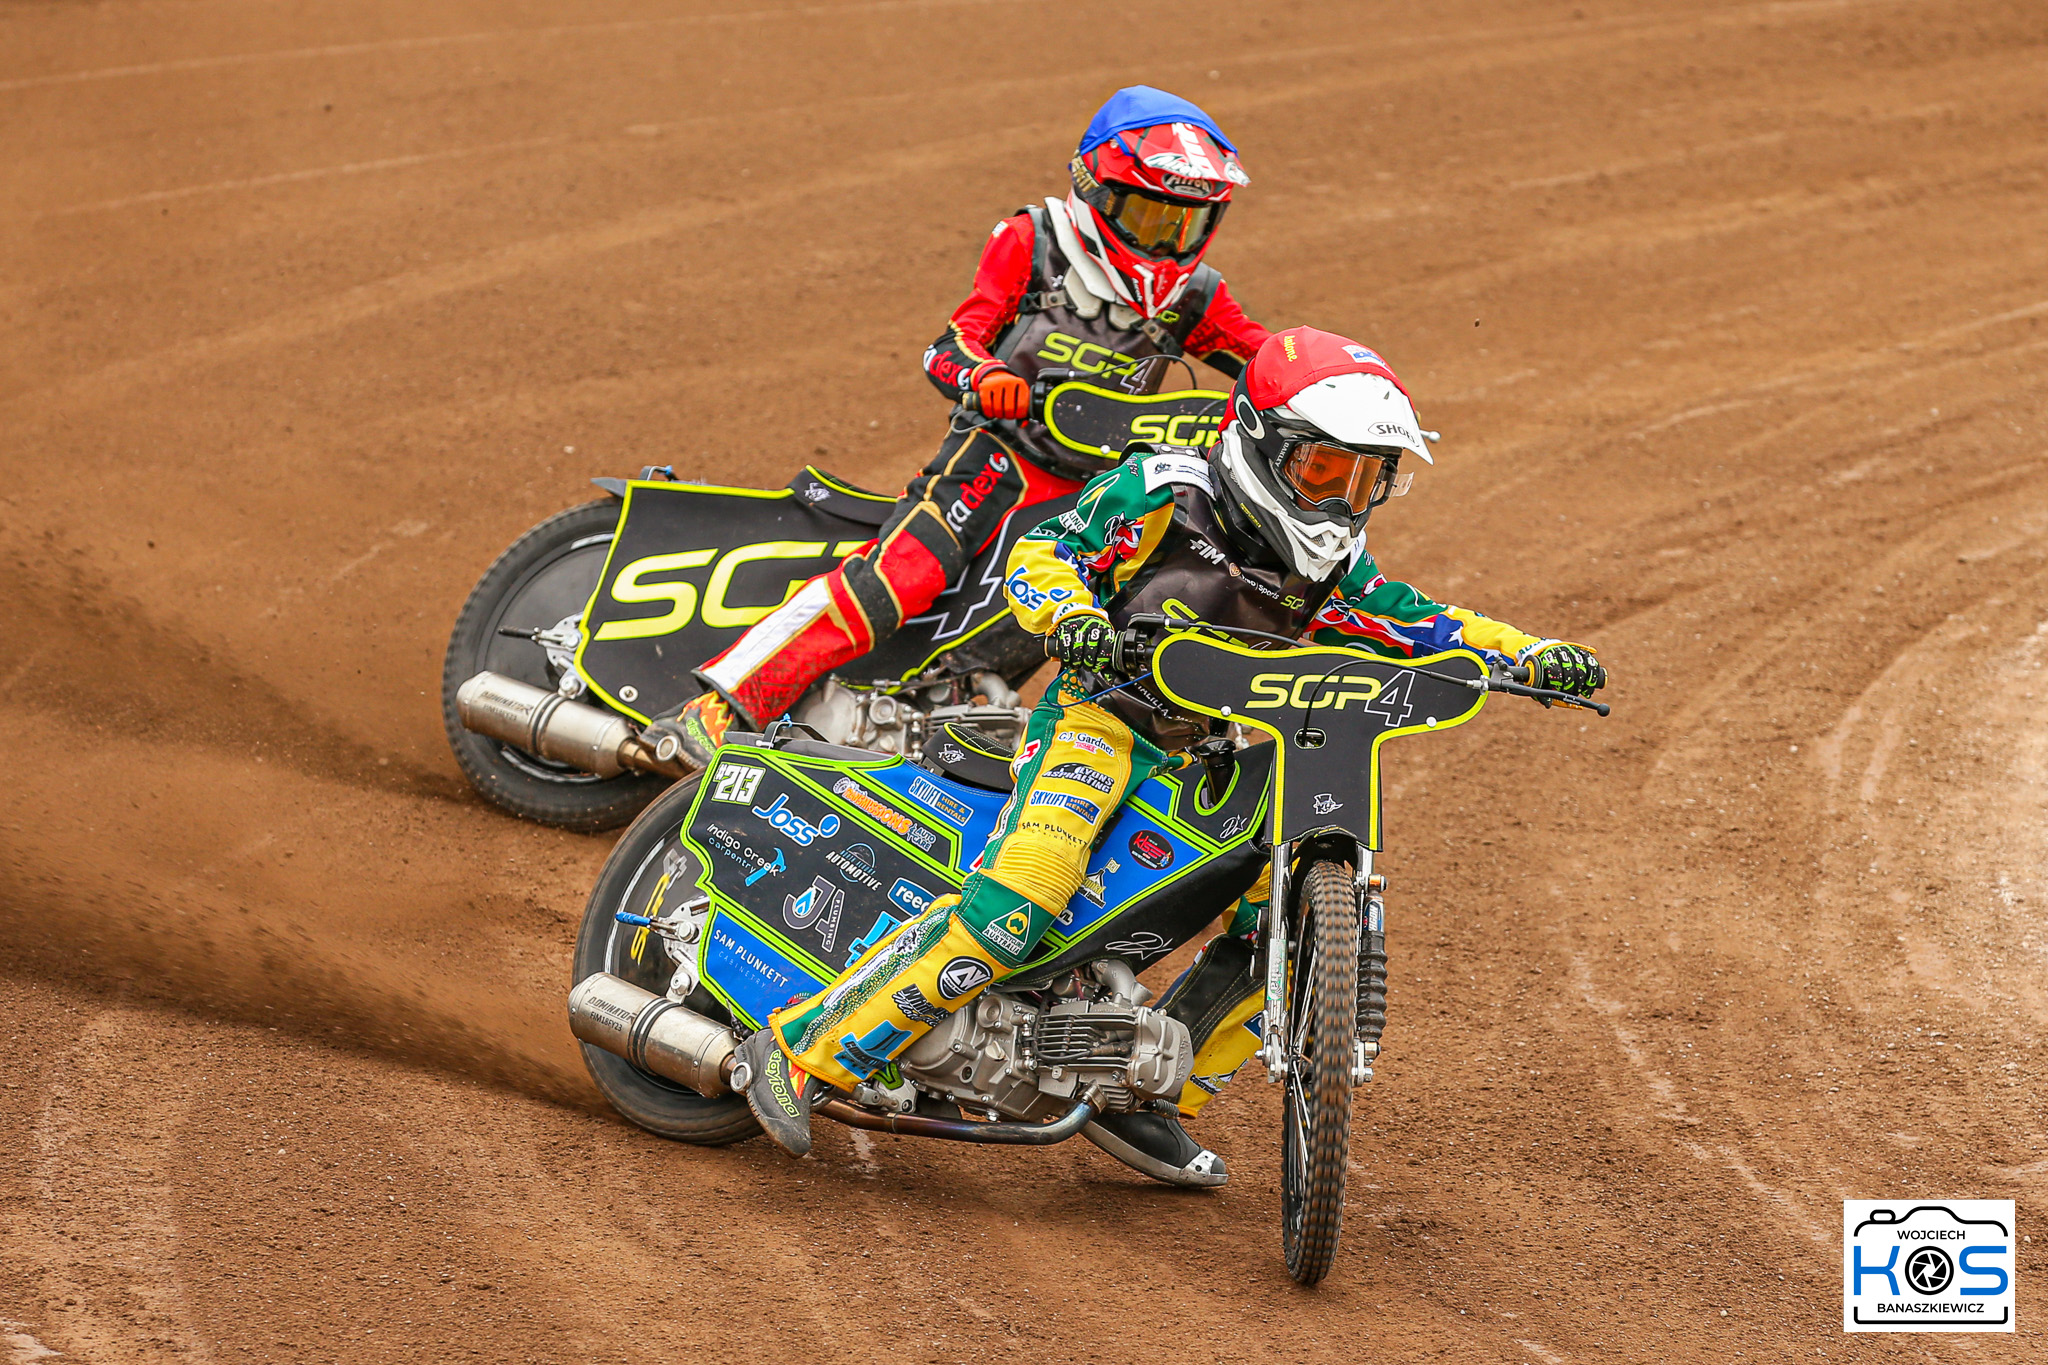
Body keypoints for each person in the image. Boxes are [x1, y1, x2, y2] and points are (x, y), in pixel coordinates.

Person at [732, 326, 1608, 1179]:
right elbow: (1048, 551)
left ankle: (1145, 1095)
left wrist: (1532, 654)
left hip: (1208, 751)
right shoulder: (1163, 491)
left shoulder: (1335, 569)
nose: (1342, 501)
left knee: (1275, 919)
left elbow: (1429, 624)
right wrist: (1071, 615)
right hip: (1099, 721)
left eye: (1366, 479)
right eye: (1325, 471)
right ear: (1263, 440)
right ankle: (805, 1048)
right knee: (1021, 902)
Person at [655, 85, 1272, 766]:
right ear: (1096, 191)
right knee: (903, 575)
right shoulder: (1033, 243)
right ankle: (722, 701)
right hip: (995, 456)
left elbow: (1268, 362)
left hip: (1095, 487)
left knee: (1095, 610)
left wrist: (1331, 382)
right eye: (1150, 215)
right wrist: (984, 377)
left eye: (1186, 222)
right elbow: (951, 343)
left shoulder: (1195, 294)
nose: (1167, 239)